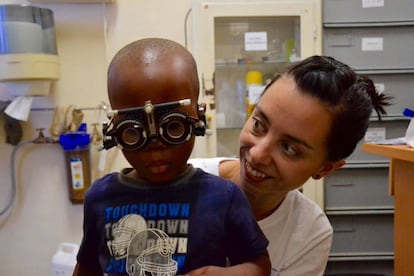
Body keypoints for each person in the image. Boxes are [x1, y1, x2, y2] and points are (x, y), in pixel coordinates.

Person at [73, 38, 271, 276]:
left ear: (197, 118)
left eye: (173, 127)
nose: (155, 149)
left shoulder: (222, 198)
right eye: (133, 132)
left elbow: (260, 265)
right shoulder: (101, 197)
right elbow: (87, 267)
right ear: (114, 129)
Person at [189, 55, 391, 275]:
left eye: (289, 149)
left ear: (324, 169)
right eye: (258, 125)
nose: (257, 154)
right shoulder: (177, 183)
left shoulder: (309, 233)